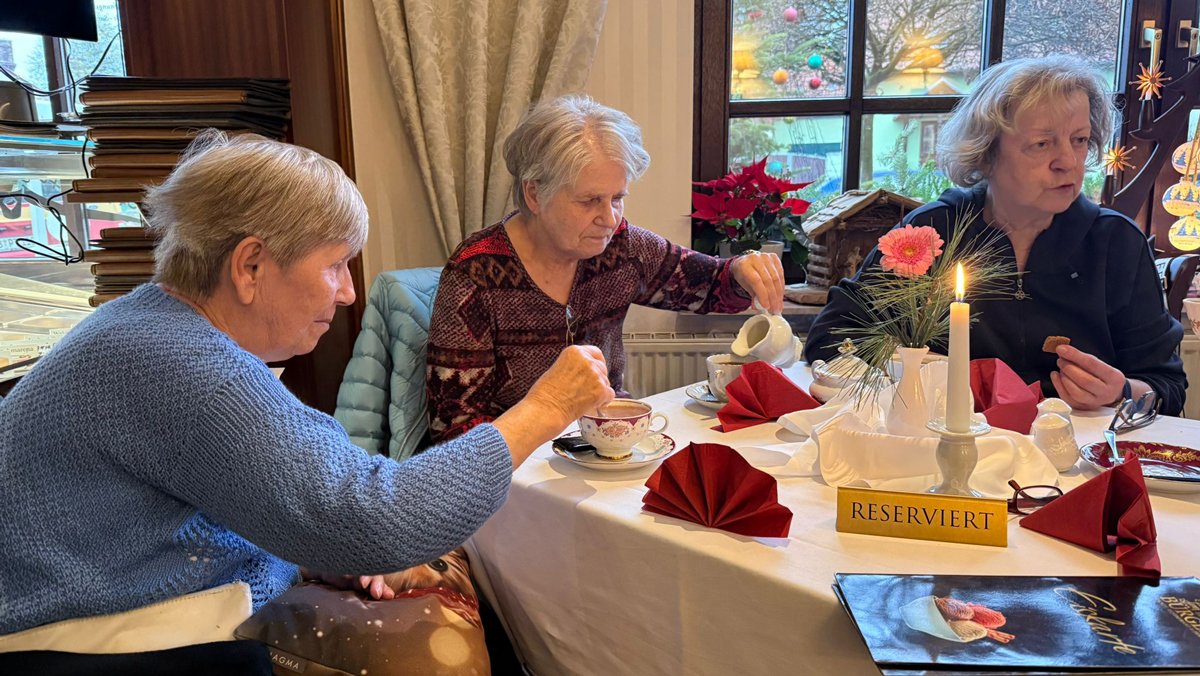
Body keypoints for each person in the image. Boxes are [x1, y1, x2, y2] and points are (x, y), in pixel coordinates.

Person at [0, 131, 614, 638]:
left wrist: (313, 546)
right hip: (76, 641)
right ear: (251, 266)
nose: (348, 292)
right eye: (335, 264)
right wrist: (548, 407)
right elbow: (375, 517)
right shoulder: (193, 369)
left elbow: (252, 497)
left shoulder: (151, 325)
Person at [804, 55, 1186, 415]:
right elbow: (832, 339)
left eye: (1080, 140)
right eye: (1042, 143)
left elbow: (1166, 386)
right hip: (946, 450)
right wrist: (917, 368)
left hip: (1076, 460)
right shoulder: (933, 232)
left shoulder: (1115, 242)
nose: (1068, 162)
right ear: (986, 152)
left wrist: (1120, 391)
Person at [426, 95, 786, 442]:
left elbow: (710, 287)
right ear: (534, 195)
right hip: (515, 471)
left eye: (618, 198)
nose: (610, 218)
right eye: (589, 201)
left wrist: (743, 270)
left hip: (608, 444)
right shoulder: (475, 274)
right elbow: (454, 429)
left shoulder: (622, 247)